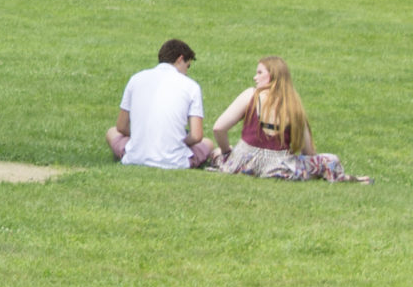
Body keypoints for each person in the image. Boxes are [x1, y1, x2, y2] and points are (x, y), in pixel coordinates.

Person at [211, 55, 369, 182]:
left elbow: (219, 128)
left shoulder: (251, 95)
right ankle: (346, 178)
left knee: (215, 151)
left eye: (260, 73)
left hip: (242, 163)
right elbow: (309, 151)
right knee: (330, 160)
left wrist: (227, 152)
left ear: (272, 75)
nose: (255, 77)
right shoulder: (293, 105)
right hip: (278, 167)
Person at [106, 38, 224, 169]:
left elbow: (121, 127)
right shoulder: (191, 86)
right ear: (180, 59)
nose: (186, 71)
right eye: (187, 66)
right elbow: (196, 136)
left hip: (135, 156)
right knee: (207, 143)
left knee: (112, 132)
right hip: (176, 161)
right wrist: (177, 139)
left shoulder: (136, 79)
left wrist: (144, 135)